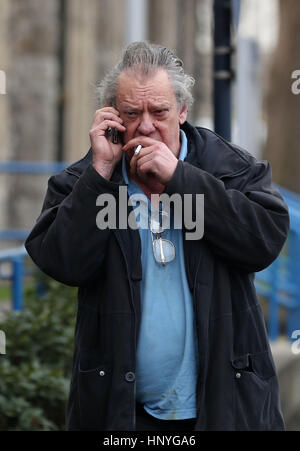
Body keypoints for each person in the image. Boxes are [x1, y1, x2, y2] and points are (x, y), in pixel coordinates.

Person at [25, 41, 289, 431]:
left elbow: (263, 242)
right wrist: (99, 173)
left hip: (222, 406)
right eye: (132, 113)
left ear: (182, 111)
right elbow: (61, 262)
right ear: (113, 116)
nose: (146, 125)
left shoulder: (233, 168)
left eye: (159, 111)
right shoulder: (87, 180)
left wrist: (181, 179)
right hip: (121, 413)